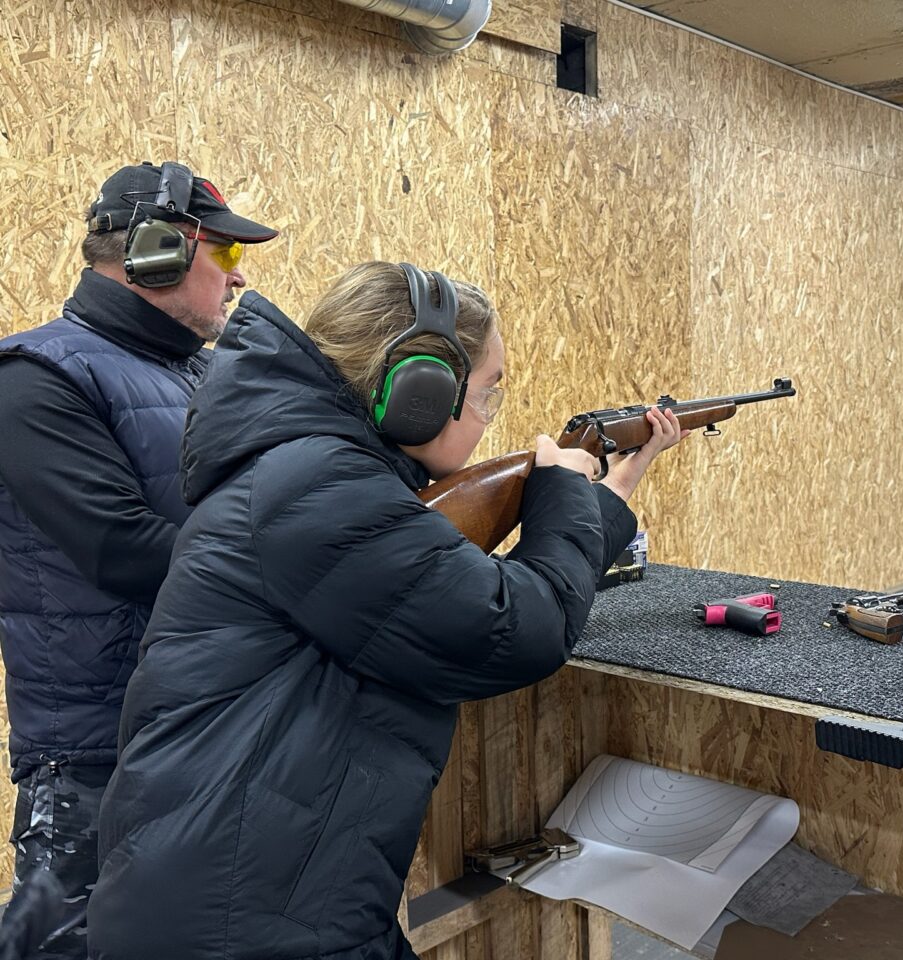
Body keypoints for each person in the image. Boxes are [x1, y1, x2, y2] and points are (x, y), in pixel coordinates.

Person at [88, 261, 685, 959]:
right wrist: (565, 495)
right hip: (238, 920)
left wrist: (602, 500)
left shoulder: (310, 470)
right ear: (419, 395)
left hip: (258, 893)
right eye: (487, 394)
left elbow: (439, 587)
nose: (490, 416)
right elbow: (515, 628)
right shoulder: (319, 486)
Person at [0, 161, 277, 958]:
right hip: (94, 760)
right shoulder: (34, 379)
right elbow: (122, 549)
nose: (239, 275)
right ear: (157, 250)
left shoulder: (205, 373)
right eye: (224, 253)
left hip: (207, 731)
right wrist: (297, 563)